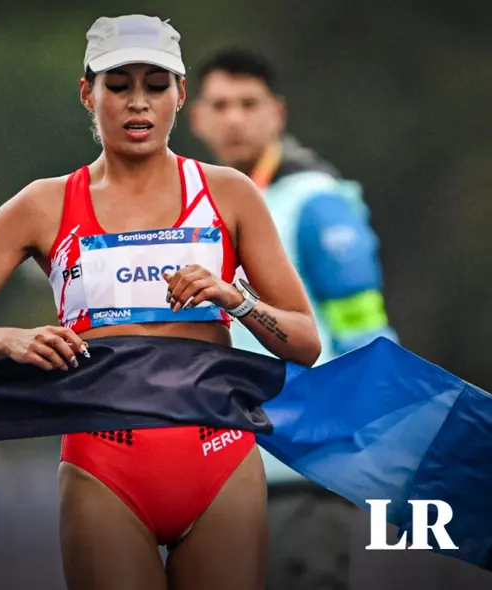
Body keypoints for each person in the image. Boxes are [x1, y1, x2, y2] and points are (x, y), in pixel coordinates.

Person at [0, 14, 322, 590]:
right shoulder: (43, 204)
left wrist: (236, 300)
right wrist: (11, 338)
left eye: (156, 86)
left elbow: (304, 343)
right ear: (88, 93)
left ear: (180, 96)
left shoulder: (228, 193)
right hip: (102, 466)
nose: (139, 103)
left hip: (220, 456)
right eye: (119, 85)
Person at [187, 48, 398, 589]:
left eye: (248, 103)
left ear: (276, 113)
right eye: (221, 104)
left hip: (301, 465)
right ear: (197, 117)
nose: (234, 118)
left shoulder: (315, 202)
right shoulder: (189, 205)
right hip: (212, 468)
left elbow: (364, 330)